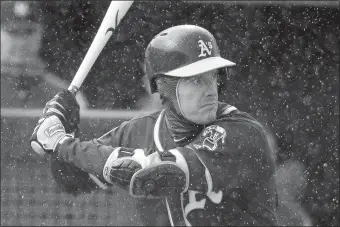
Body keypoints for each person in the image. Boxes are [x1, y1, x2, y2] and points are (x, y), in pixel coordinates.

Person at [30, 24, 278, 226]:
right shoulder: (138, 132)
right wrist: (67, 130)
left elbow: (155, 174)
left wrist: (62, 143)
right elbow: (71, 179)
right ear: (163, 86)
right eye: (195, 80)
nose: (210, 90)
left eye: (212, 77)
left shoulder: (243, 132)